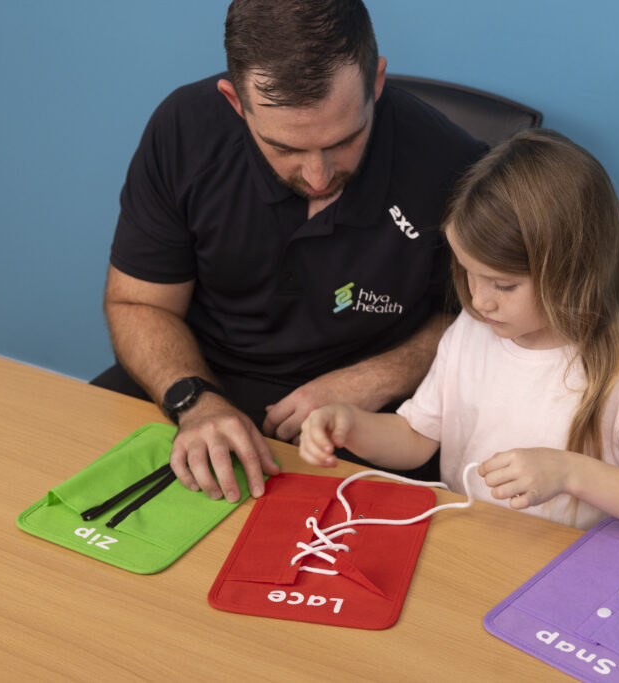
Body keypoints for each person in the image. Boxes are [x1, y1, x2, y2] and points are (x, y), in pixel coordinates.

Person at [94, 0, 485, 503]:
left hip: (368, 417)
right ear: (236, 103)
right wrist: (195, 400)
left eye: (344, 140)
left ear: (377, 83)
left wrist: (380, 377)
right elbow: (138, 303)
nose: (318, 177)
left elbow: (484, 320)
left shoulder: (454, 164)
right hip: (198, 378)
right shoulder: (184, 130)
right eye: (285, 148)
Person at [299, 129, 619, 533]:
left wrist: (570, 472)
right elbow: (415, 437)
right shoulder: (473, 331)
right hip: (478, 551)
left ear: (572, 271)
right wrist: (351, 425)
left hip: (567, 574)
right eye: (467, 273)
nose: (480, 300)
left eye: (503, 284)